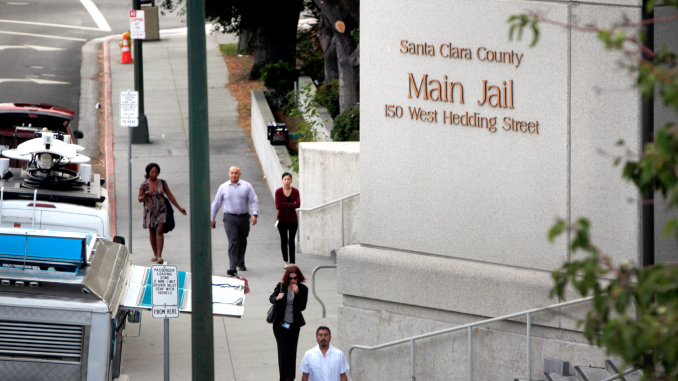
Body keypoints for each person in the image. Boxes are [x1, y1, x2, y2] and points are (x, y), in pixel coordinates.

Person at [211, 166, 259, 275]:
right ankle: (232, 267)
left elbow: (254, 200)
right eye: (232, 173)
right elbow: (216, 203)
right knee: (233, 240)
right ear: (229, 174)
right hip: (229, 218)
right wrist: (212, 218)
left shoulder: (247, 186)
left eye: (236, 173)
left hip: (243, 217)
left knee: (242, 240)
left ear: (240, 174)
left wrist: (255, 214)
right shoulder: (223, 187)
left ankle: (240, 262)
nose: (234, 175)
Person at [138, 163, 187, 263]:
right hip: (150, 210)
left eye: (156, 172)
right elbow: (139, 199)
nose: (154, 174)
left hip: (161, 209)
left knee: (159, 230)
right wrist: (144, 196)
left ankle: (159, 256)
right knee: (152, 231)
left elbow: (170, 196)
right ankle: (155, 254)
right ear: (148, 173)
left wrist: (179, 208)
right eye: (152, 172)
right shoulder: (144, 185)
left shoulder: (163, 183)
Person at [270, 265, 308, 381]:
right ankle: (284, 378)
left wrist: (297, 294)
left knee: (292, 351)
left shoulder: (303, 289)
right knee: (283, 352)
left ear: (298, 278)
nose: (293, 280)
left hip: (293, 325)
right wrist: (277, 298)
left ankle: (291, 377)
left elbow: (302, 307)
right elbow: (271, 298)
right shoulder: (281, 286)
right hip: (280, 325)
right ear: (287, 278)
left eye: (295, 278)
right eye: (290, 278)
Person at [275, 172, 300, 269]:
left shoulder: (295, 191)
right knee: (284, 240)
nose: (286, 181)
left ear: (291, 180)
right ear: (282, 180)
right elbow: (278, 206)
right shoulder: (278, 192)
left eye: (288, 179)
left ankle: (292, 262)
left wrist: (284, 203)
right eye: (285, 179)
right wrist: (291, 204)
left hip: (293, 220)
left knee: (291, 241)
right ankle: (286, 261)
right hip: (281, 220)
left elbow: (297, 204)